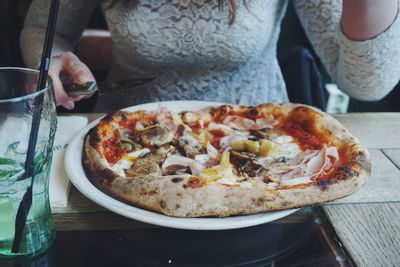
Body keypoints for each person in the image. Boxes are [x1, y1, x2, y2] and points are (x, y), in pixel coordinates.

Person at [21, 0, 400, 112]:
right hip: (128, 146)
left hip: (266, 146)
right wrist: (51, 58)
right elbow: (44, 27)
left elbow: (367, 85)